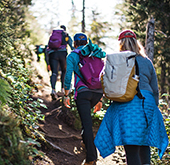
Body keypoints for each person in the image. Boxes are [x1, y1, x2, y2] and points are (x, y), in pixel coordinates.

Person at [94, 29, 169, 165]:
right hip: (147, 104)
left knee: (131, 148)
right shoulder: (146, 61)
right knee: (144, 143)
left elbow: (103, 79)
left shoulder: (115, 61)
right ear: (136, 43)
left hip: (125, 105)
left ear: (121, 44)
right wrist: (154, 107)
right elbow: (155, 88)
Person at [63, 33, 104, 165]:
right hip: (97, 92)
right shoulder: (95, 53)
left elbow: (68, 76)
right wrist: (100, 98)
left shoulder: (73, 56)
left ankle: (91, 157)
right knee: (86, 120)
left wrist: (66, 95)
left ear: (74, 44)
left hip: (83, 93)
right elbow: (103, 74)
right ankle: (86, 142)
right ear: (86, 42)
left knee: (87, 124)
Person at [48, 25, 74, 100]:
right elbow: (71, 46)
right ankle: (63, 89)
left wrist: (48, 59)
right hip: (63, 54)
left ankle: (53, 90)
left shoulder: (53, 35)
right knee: (64, 71)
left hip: (52, 54)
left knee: (54, 73)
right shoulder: (66, 34)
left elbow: (48, 46)